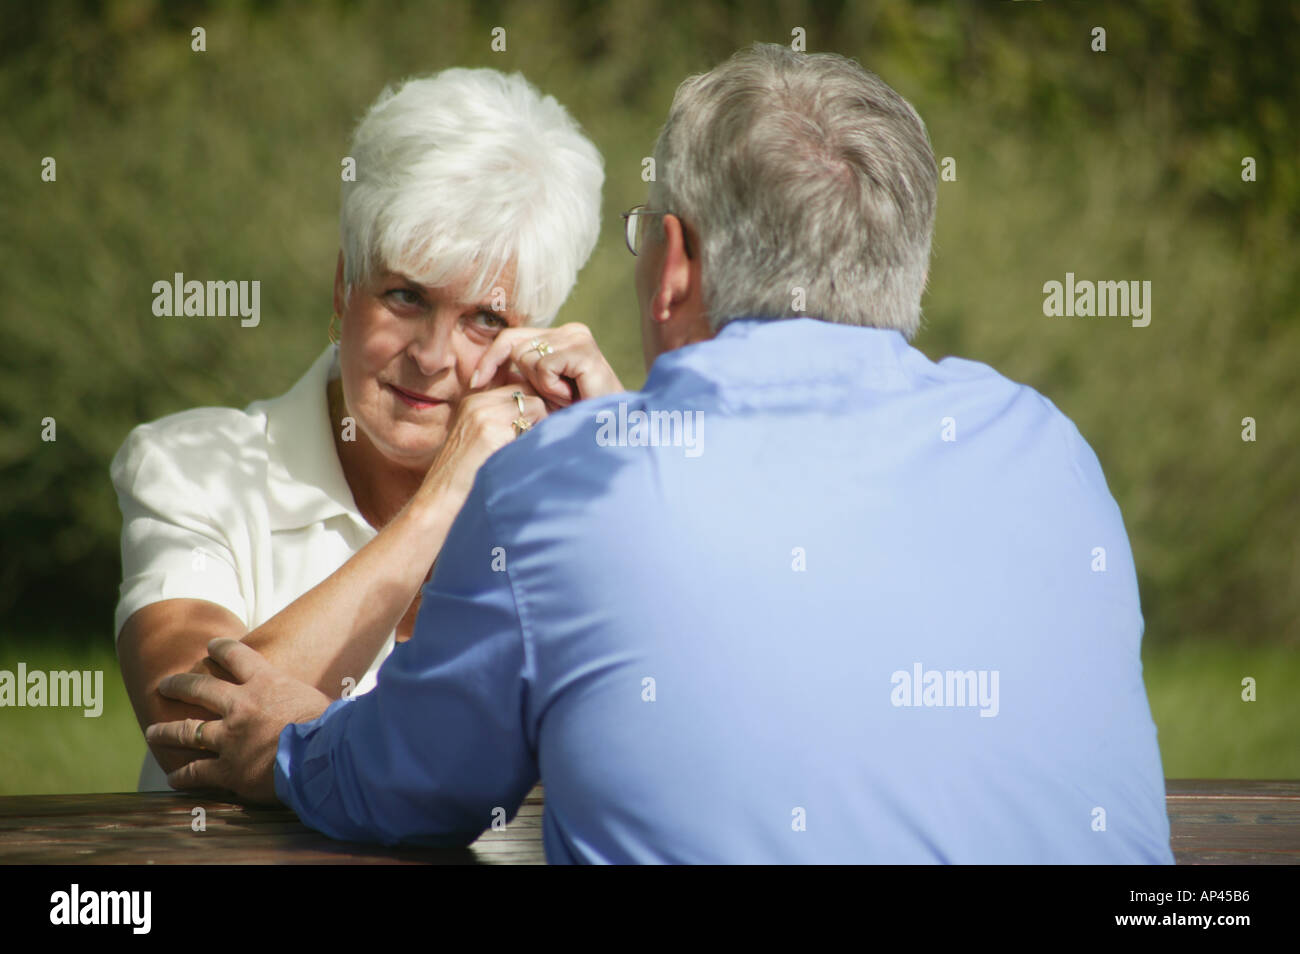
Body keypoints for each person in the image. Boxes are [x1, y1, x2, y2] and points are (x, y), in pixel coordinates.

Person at [147, 43, 1175, 864]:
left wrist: (289, 750)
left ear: (673, 262)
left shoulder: (570, 484)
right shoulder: (1049, 449)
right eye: (404, 293)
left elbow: (415, 781)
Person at [112, 67, 617, 791]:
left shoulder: (572, 496)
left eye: (486, 318)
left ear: (536, 335)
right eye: (406, 296)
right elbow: (188, 736)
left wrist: (626, 463)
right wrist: (439, 505)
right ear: (343, 287)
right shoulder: (193, 465)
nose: (434, 357)